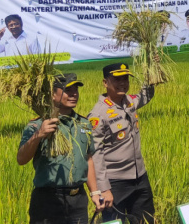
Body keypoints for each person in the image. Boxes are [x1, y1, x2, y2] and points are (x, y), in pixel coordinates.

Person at [17, 73, 103, 223]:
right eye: (67, 90)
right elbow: (21, 159)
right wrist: (39, 135)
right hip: (48, 200)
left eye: (75, 90)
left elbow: (88, 159)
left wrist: (94, 192)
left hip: (78, 199)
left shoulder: (83, 123)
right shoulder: (38, 125)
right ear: (52, 95)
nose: (73, 94)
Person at [88, 63, 156, 224]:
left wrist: (152, 66)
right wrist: (104, 188)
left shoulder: (129, 102)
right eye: (117, 79)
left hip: (140, 177)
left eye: (125, 78)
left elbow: (147, 94)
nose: (123, 83)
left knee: (146, 220)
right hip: (115, 182)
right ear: (105, 82)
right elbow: (96, 155)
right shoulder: (98, 115)